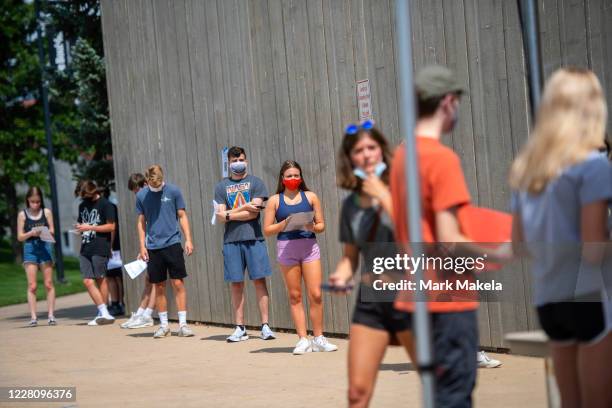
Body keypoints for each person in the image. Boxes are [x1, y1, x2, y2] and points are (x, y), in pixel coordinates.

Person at [390, 65, 509, 407]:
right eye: (457, 101)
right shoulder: (441, 159)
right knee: (455, 395)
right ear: (447, 101)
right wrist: (500, 251)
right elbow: (449, 240)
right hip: (450, 296)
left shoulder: (401, 158)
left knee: (439, 394)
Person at [509, 67, 612, 407]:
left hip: (549, 299)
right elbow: (594, 248)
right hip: (590, 295)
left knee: (570, 401)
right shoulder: (593, 165)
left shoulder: (527, 169)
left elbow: (519, 245)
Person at [327, 121, 414, 407]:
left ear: (382, 152)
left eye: (371, 148)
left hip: (411, 298)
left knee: (439, 384)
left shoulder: (405, 189)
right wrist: (341, 275)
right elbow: (350, 258)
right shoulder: (350, 205)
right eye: (358, 150)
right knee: (357, 394)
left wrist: (385, 196)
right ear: (350, 158)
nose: (366, 154)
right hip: (371, 303)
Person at [263, 160, 337, 354]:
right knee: (295, 295)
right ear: (282, 179)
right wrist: (284, 224)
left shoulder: (311, 196)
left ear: (301, 177)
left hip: (309, 247)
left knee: (316, 294)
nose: (293, 179)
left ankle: (319, 338)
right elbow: (268, 230)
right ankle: (303, 339)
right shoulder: (274, 200)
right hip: (287, 249)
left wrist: (311, 226)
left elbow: (321, 225)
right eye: (289, 176)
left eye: (296, 175)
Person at [214, 146, 276, 342]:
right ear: (229, 163)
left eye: (240, 159)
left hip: (254, 238)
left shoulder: (256, 182)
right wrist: (243, 207)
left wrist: (231, 213)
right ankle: (240, 327)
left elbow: (254, 212)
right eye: (233, 160)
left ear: (246, 161)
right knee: (236, 284)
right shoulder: (221, 186)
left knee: (259, 281)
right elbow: (221, 217)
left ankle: (265, 326)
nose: (237, 163)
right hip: (231, 241)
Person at [136, 165, 195, 338]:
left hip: (173, 243)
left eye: (158, 183)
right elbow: (141, 222)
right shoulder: (141, 196)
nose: (156, 186)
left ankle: (183, 325)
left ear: (162, 178)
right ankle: (164, 326)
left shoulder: (174, 191)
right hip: (153, 247)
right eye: (152, 184)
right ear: (147, 181)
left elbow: (182, 216)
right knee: (159, 286)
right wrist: (142, 245)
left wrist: (188, 239)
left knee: (178, 283)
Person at [76, 180, 117, 326]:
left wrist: (90, 228)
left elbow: (111, 226)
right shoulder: (82, 205)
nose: (85, 198)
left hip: (100, 246)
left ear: (94, 192)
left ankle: (102, 313)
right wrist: (80, 228)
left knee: (101, 279)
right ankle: (104, 312)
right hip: (85, 247)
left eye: (87, 195)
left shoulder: (106, 205)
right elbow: (83, 224)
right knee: (87, 280)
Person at [16, 186, 56, 326]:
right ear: (28, 200)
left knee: (48, 283)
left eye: (38, 202)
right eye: (33, 202)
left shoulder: (46, 212)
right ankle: (33, 317)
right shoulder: (22, 215)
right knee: (32, 285)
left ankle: (51, 315)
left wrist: (44, 231)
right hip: (30, 248)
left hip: (44, 246)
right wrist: (30, 233)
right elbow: (20, 237)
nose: (35, 204)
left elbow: (52, 231)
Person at [121, 173, 156, 329]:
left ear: (142, 185)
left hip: (158, 244)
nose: (135, 194)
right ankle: (140, 313)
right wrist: (143, 247)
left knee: (156, 280)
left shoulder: (150, 198)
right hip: (149, 243)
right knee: (148, 280)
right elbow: (145, 227)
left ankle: (148, 314)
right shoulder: (142, 199)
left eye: (136, 190)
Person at [102, 186, 125, 317]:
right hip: (110, 246)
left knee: (117, 276)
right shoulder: (108, 206)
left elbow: (112, 228)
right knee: (111, 275)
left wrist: (109, 246)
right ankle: (115, 302)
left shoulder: (110, 207)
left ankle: (120, 303)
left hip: (114, 246)